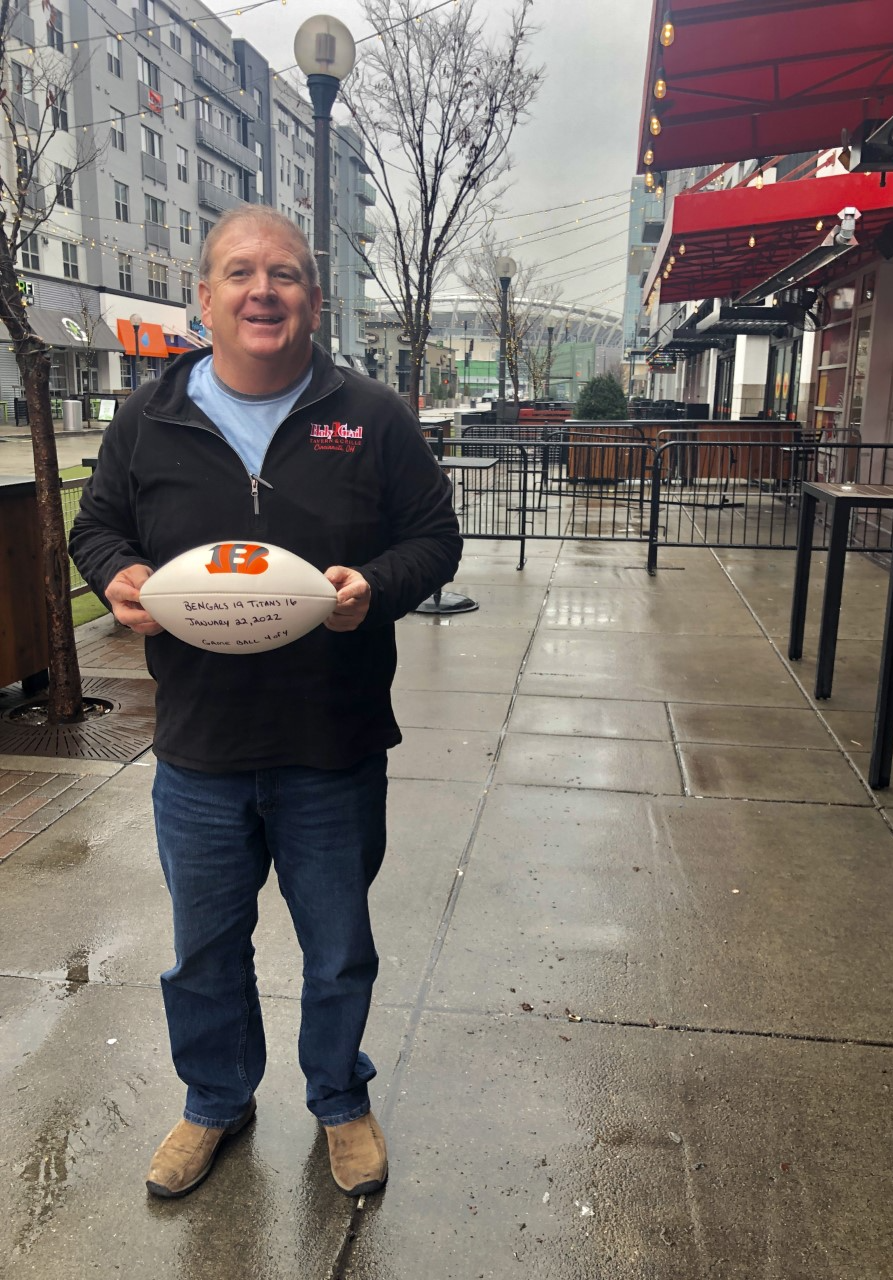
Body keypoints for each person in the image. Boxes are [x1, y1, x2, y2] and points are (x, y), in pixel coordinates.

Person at [69, 207, 462, 1200]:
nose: (263, 290)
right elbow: (98, 525)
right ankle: (214, 1099)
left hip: (330, 745)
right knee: (204, 949)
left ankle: (339, 1096)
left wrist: (374, 586)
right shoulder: (146, 418)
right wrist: (119, 575)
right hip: (198, 745)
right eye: (239, 273)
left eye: (284, 273)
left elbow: (435, 537)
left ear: (314, 302)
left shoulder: (369, 416)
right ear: (202, 298)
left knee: (336, 949)